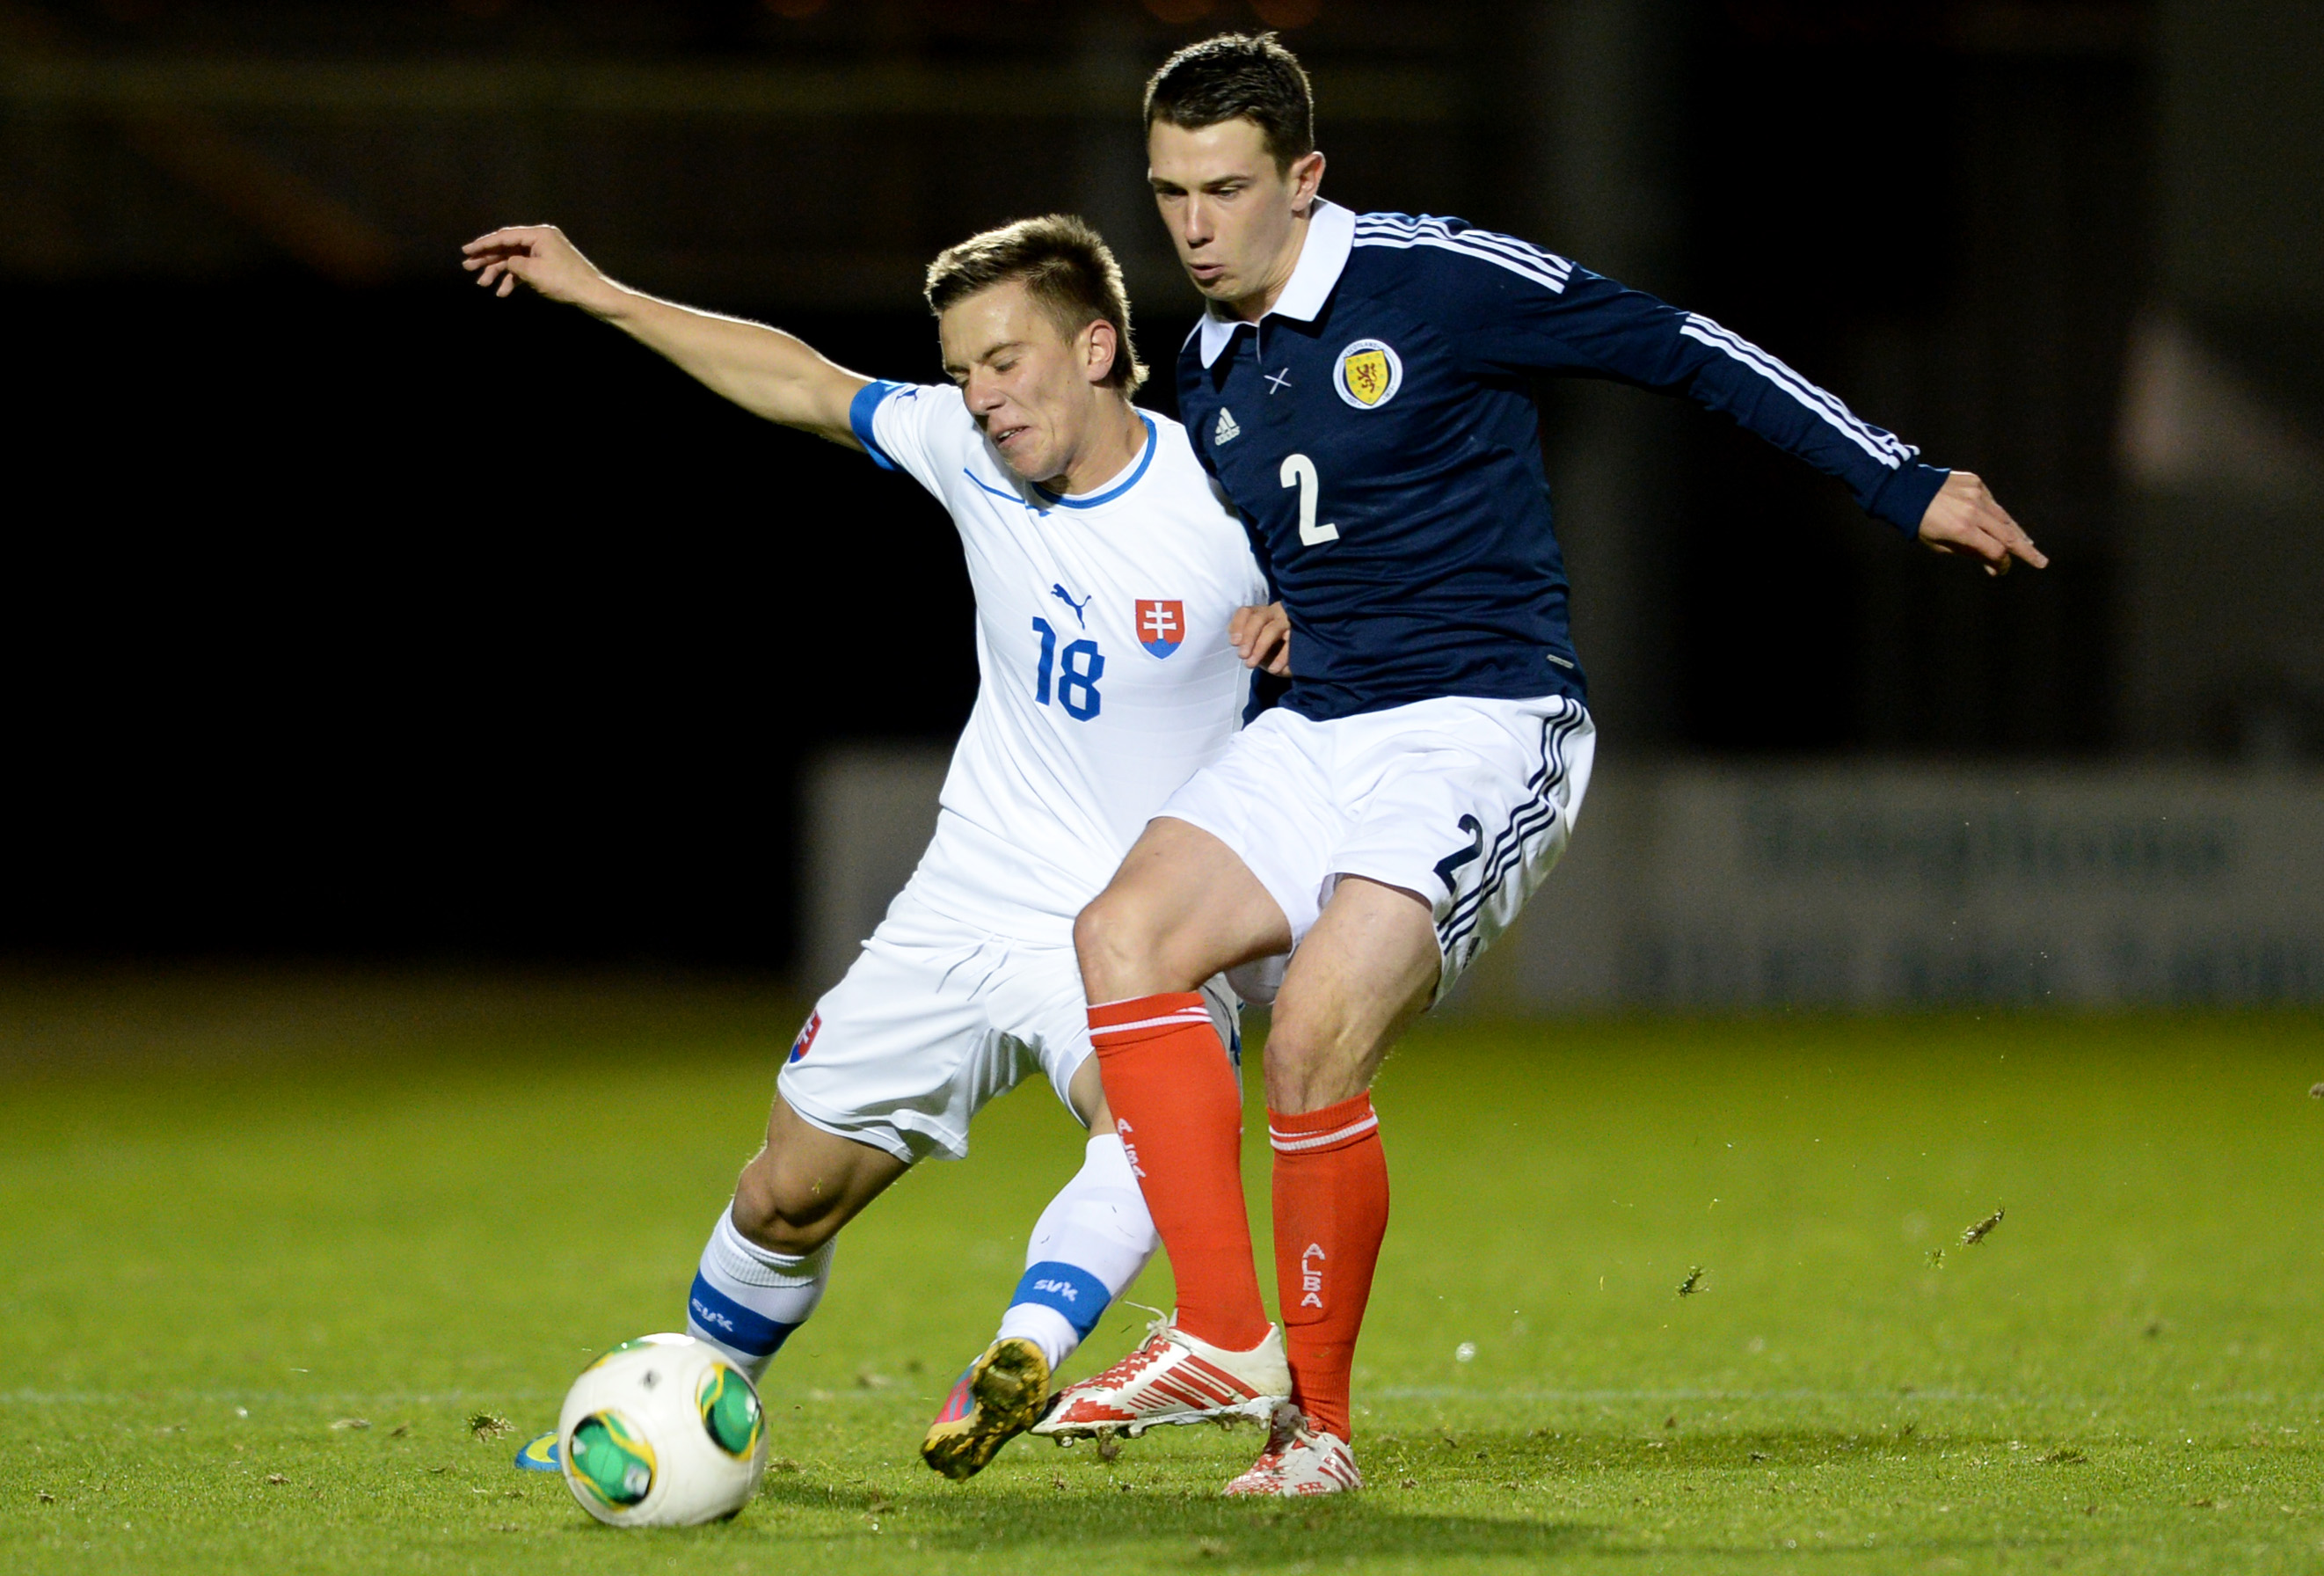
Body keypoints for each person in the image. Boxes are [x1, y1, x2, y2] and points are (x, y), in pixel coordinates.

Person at [1037, 33, 2046, 1496]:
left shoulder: (1439, 281)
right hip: (1318, 725)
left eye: (1226, 189)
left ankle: (1309, 1431)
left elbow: (1680, 346)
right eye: (1170, 192)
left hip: (1484, 720)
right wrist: (1272, 610)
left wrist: (1901, 479)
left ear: (1305, 180)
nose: (1192, 226)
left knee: (1317, 1032)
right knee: (1119, 933)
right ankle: (1218, 1329)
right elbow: (1296, 543)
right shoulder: (1207, 360)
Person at [459, 212, 1289, 1480]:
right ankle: (684, 1400)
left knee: (1151, 1127)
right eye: (962, 372)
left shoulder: (1230, 502)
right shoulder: (967, 453)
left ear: (1100, 345)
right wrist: (600, 292)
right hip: (968, 900)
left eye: (1007, 361)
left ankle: (1019, 1350)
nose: (983, 398)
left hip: (1146, 921)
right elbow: (800, 379)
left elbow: (1389, 617)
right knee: (784, 1194)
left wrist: (1316, 629)